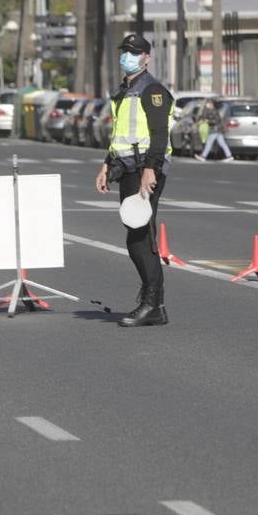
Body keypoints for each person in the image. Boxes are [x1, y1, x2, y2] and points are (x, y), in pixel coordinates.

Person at [94, 33, 173, 328]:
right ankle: (153, 303)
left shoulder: (152, 91)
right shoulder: (124, 92)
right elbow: (121, 136)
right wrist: (106, 164)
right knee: (135, 235)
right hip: (127, 168)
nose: (127, 56)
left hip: (144, 170)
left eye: (134, 51)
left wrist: (150, 170)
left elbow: (159, 134)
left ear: (146, 58)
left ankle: (153, 303)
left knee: (141, 237)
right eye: (124, 50)